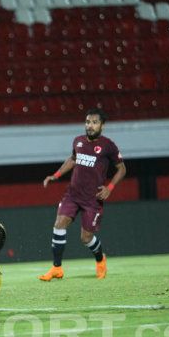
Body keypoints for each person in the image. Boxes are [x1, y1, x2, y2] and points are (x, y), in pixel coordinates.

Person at [39, 108, 126, 281]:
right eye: (87, 122)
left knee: (86, 238)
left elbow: (122, 169)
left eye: (94, 122)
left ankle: (100, 260)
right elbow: (72, 159)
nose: (90, 125)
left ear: (102, 125)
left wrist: (109, 188)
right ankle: (57, 268)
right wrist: (55, 175)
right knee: (59, 224)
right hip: (72, 195)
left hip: (93, 199)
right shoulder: (78, 141)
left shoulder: (108, 145)